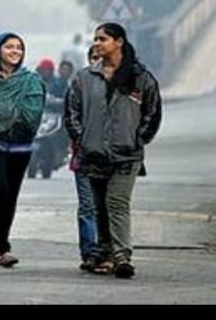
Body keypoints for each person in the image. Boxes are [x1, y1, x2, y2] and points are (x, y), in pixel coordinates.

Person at [64, 22, 162, 279]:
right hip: (93, 153)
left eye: (103, 39)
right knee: (99, 206)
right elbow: (72, 111)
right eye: (96, 39)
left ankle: (122, 255)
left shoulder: (140, 78)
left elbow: (152, 113)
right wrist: (83, 139)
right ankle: (104, 249)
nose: (97, 43)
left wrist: (137, 139)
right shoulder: (85, 78)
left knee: (116, 202)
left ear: (119, 42)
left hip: (126, 154)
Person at [0, 32, 45, 267]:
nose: (15, 51)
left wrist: (14, 120)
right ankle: (1, 247)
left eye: (19, 47)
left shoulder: (31, 80)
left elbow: (35, 111)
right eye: (9, 47)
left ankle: (1, 246)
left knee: (11, 195)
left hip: (21, 145)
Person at [68, 45, 100, 272]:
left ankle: (109, 251)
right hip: (85, 155)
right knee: (88, 206)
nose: (98, 61)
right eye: (94, 58)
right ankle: (90, 252)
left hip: (114, 158)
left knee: (108, 207)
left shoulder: (123, 85)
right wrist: (85, 140)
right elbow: (71, 117)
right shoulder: (79, 84)